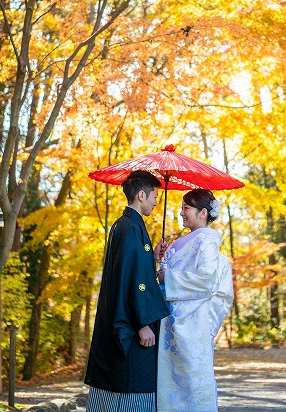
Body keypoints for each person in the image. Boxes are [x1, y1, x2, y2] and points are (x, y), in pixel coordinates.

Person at [85, 170, 170, 412]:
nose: (156, 201)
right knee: (131, 384)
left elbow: (135, 271)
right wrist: (142, 323)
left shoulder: (126, 225)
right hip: (131, 323)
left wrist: (151, 258)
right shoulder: (130, 227)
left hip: (125, 316)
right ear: (141, 195)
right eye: (154, 196)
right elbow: (129, 278)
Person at [157, 189, 234, 412]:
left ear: (202, 213)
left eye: (186, 208)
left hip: (193, 321)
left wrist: (168, 277)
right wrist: (161, 259)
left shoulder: (207, 241)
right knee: (171, 381)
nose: (181, 213)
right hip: (172, 317)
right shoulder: (182, 242)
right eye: (181, 208)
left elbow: (206, 280)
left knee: (192, 378)